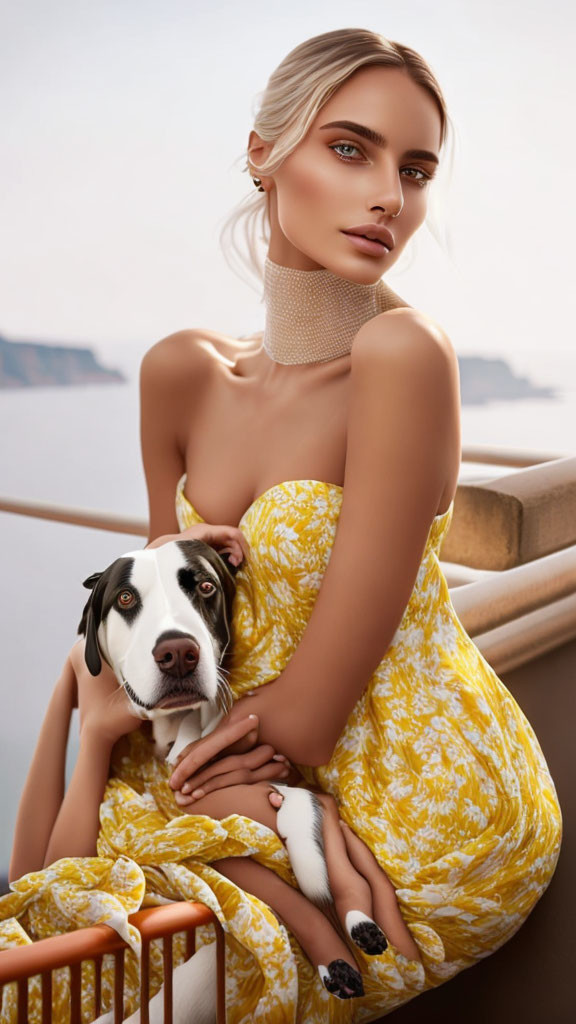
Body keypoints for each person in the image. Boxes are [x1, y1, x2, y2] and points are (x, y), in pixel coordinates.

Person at [2, 27, 563, 1024]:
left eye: (416, 167)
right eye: (351, 148)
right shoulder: (178, 369)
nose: (391, 194)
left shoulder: (403, 356)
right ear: (263, 152)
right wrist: (93, 722)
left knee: (91, 963)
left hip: (423, 806)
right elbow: (160, 615)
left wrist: (184, 776)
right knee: (53, 933)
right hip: (243, 765)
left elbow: (302, 718)